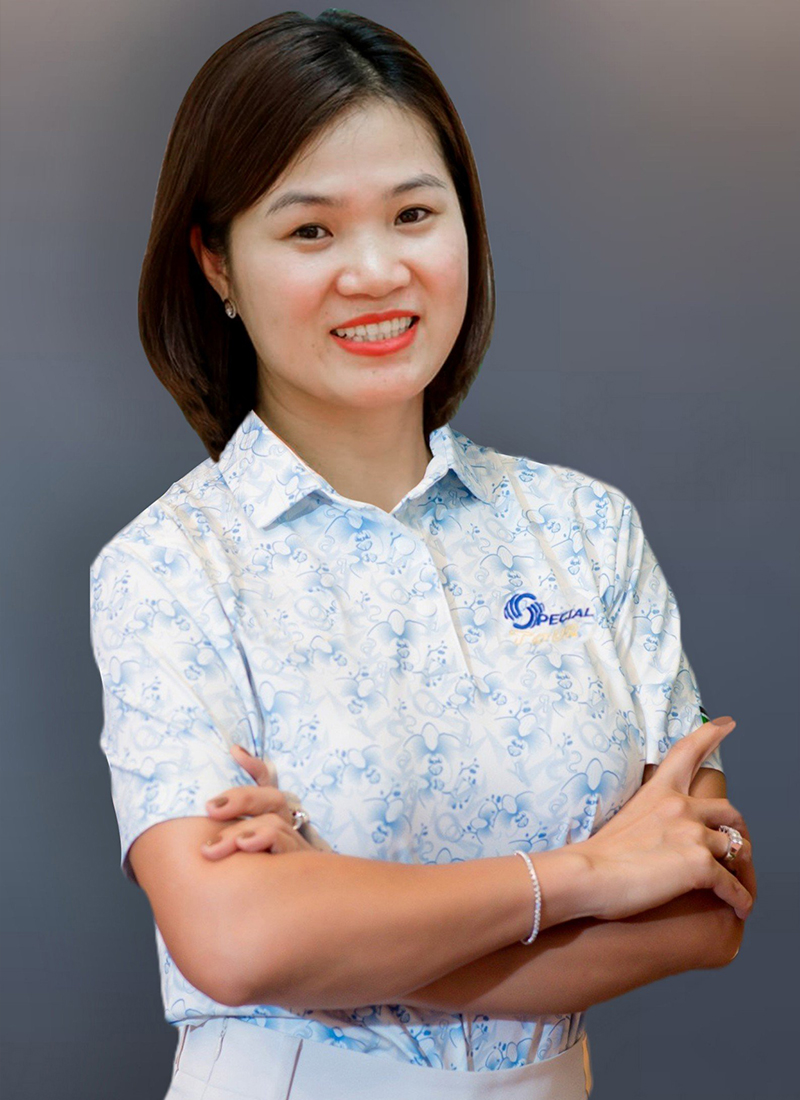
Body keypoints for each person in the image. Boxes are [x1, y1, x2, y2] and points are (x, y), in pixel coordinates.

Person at [88, 11, 756, 1099]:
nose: (375, 271)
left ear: (465, 229)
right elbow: (237, 941)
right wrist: (588, 873)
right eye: (310, 230)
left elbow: (703, 903)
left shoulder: (584, 529)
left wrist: (334, 927)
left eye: (412, 214)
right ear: (217, 263)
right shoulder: (169, 567)